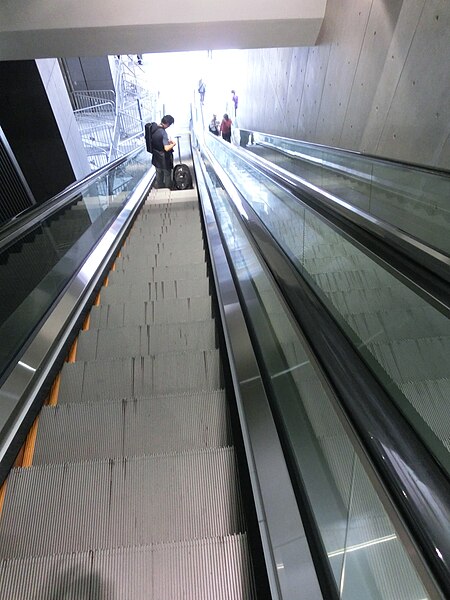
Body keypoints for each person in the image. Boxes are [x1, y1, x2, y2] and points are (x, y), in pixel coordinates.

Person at [151, 115, 176, 188]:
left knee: (158, 173)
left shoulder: (153, 128)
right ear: (167, 124)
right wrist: (173, 144)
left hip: (156, 156)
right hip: (164, 158)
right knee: (167, 174)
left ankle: (160, 188)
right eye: (170, 124)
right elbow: (166, 148)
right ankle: (168, 188)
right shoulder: (163, 133)